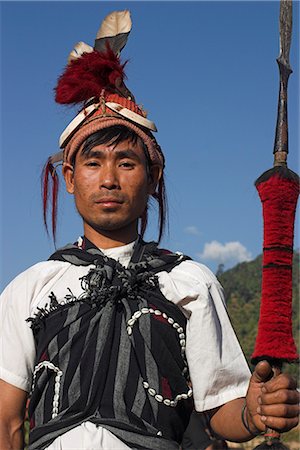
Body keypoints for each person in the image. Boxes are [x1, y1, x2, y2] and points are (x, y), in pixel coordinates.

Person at [0, 9, 299, 450]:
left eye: (126, 162)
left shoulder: (189, 282)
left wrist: (254, 412)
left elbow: (221, 412)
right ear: (69, 177)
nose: (108, 179)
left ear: (153, 175)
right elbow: (7, 424)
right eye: (93, 163)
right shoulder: (31, 289)